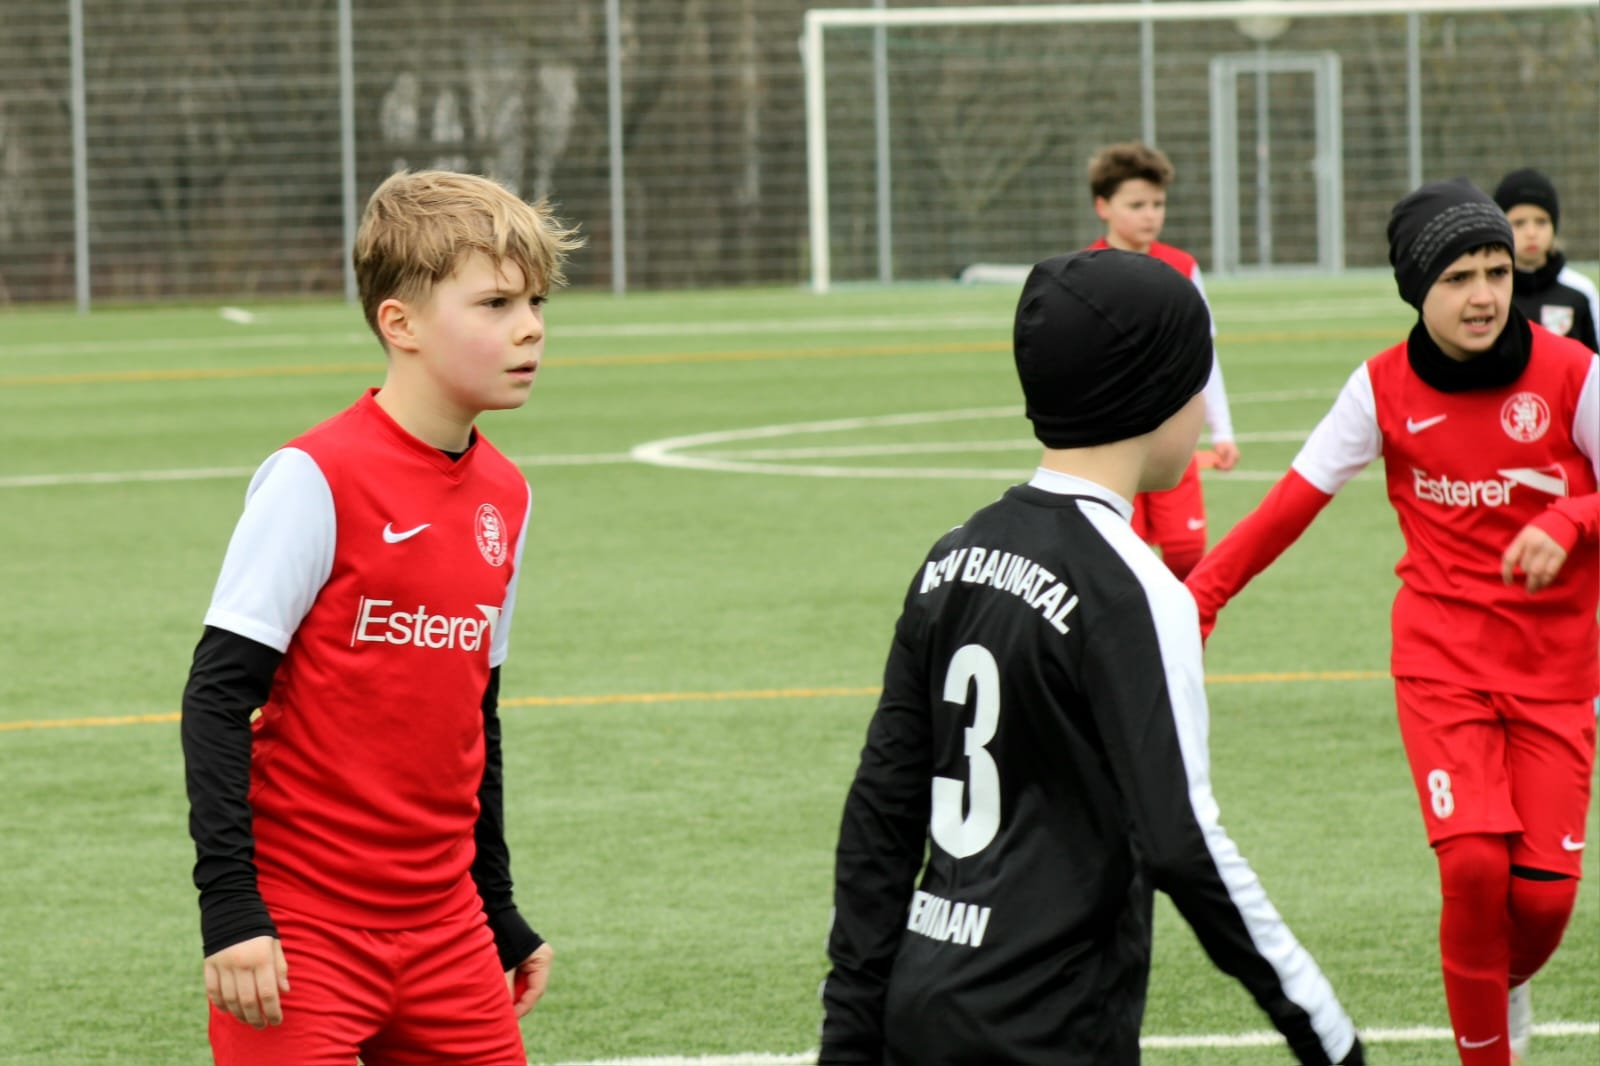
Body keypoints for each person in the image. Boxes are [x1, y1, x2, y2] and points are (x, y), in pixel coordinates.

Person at [819, 248, 1366, 1065]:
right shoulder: (1137, 591)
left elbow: (880, 815)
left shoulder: (951, 556)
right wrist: (1327, 1034)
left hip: (919, 1009)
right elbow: (1185, 844)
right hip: (1050, 1031)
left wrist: (849, 1035)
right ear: (1154, 392)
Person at [1187, 178, 1598, 1066]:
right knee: (1474, 867)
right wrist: (1200, 597)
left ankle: (1501, 979)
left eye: (1496, 272)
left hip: (1559, 674)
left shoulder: (1574, 375)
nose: (1484, 295)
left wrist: (1572, 518)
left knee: (1542, 901)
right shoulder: (1379, 388)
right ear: (1417, 288)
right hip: (1441, 663)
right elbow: (1292, 503)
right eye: (1458, 278)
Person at [181, 169, 582, 1064]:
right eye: (495, 304)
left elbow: (474, 719)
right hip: (302, 931)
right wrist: (233, 910)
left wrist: (497, 907)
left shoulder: (507, 495)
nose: (530, 327)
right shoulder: (315, 478)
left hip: (448, 928)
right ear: (400, 324)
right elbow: (216, 699)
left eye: (536, 302)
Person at [1085, 140, 1241, 579]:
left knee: (1187, 552)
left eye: (1158, 204)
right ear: (1103, 206)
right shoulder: (1086, 270)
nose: (1150, 215)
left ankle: (1182, 624)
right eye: (1136, 205)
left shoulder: (1182, 267)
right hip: (1115, 442)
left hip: (1174, 436)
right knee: (1121, 558)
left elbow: (1204, 354)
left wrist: (1222, 430)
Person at [1493, 167, 1600, 353]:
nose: (1531, 233)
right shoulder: (1490, 291)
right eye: (1519, 223)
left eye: (1541, 222)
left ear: (1554, 226)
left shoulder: (1580, 291)